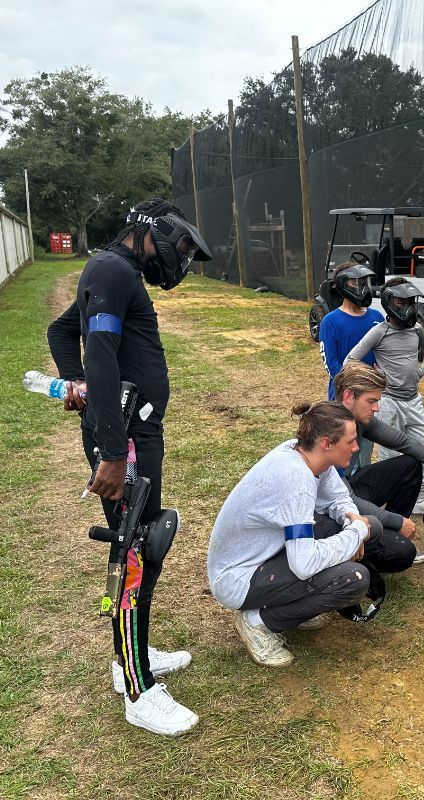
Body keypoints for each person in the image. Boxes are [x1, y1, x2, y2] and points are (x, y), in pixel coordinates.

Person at [46, 198, 211, 735]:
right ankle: (138, 691)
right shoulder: (113, 270)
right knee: (136, 549)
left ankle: (129, 655)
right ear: (150, 232)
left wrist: (75, 383)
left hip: (133, 432)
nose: (180, 258)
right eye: (179, 246)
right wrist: (114, 453)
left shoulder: (115, 272)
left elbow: (60, 331)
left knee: (142, 545)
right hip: (127, 440)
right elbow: (98, 351)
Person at [208, 402, 375, 667]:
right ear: (327, 444)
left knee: (347, 527)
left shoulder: (305, 454)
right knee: (352, 579)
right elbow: (303, 563)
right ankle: (257, 623)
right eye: (350, 441)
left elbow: (338, 498)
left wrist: (351, 520)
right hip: (237, 579)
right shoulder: (297, 481)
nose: (356, 448)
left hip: (263, 555)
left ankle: (294, 606)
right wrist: (356, 533)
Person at [334, 362, 424, 564]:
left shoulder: (359, 419)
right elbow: (345, 499)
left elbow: (402, 441)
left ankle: (391, 533)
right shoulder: (330, 431)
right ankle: (356, 552)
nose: (376, 408)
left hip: (348, 487)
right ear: (348, 396)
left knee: (410, 464)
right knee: (402, 553)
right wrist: (397, 521)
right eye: (371, 401)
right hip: (333, 507)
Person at [345, 277, 424, 514]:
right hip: (389, 402)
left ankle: (420, 498)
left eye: (410, 301)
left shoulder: (417, 330)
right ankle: (391, 499)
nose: (406, 307)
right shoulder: (380, 332)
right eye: (400, 302)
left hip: (413, 400)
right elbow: (351, 360)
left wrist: (418, 373)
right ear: (388, 302)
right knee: (391, 454)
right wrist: (375, 378)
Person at [319, 262, 383, 400]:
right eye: (355, 283)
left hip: (373, 391)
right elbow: (331, 363)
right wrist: (351, 387)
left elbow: (383, 354)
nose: (362, 287)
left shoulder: (377, 317)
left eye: (364, 282)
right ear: (342, 285)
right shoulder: (330, 321)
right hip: (345, 393)